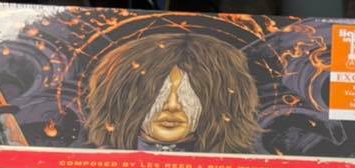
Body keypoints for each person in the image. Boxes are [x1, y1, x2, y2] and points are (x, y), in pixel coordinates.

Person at [82, 33, 261, 153]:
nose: (173, 106)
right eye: (160, 92)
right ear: (125, 97)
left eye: (187, 94)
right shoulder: (91, 167)